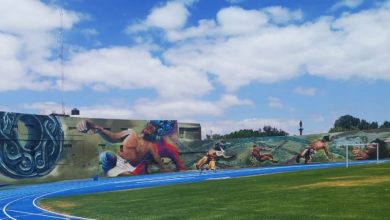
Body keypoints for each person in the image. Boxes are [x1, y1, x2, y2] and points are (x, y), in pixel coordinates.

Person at [77, 120, 185, 177]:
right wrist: (98, 128)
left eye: (154, 126)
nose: (149, 126)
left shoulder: (152, 147)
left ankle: (120, 174)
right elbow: (113, 137)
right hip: (115, 162)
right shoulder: (130, 133)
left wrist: (172, 172)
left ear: (158, 131)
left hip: (128, 170)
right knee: (105, 155)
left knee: (127, 174)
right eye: (150, 124)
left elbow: (160, 165)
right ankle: (117, 172)